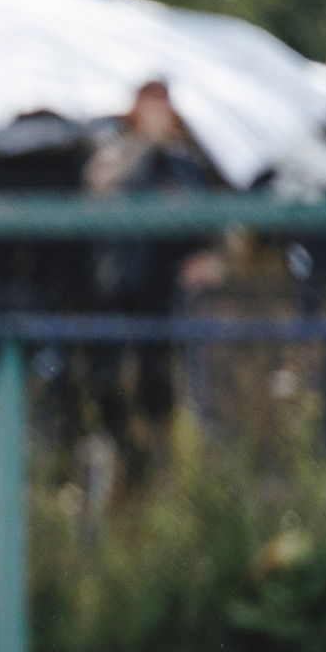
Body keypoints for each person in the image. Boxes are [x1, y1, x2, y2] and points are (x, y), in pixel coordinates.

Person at [83, 79, 226, 451]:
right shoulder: (111, 155)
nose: (157, 115)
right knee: (110, 384)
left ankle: (173, 460)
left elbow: (218, 226)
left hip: (175, 295)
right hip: (118, 290)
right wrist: (145, 146)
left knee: (167, 387)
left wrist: (211, 258)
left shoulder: (190, 164)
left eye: (163, 106)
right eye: (149, 106)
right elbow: (99, 195)